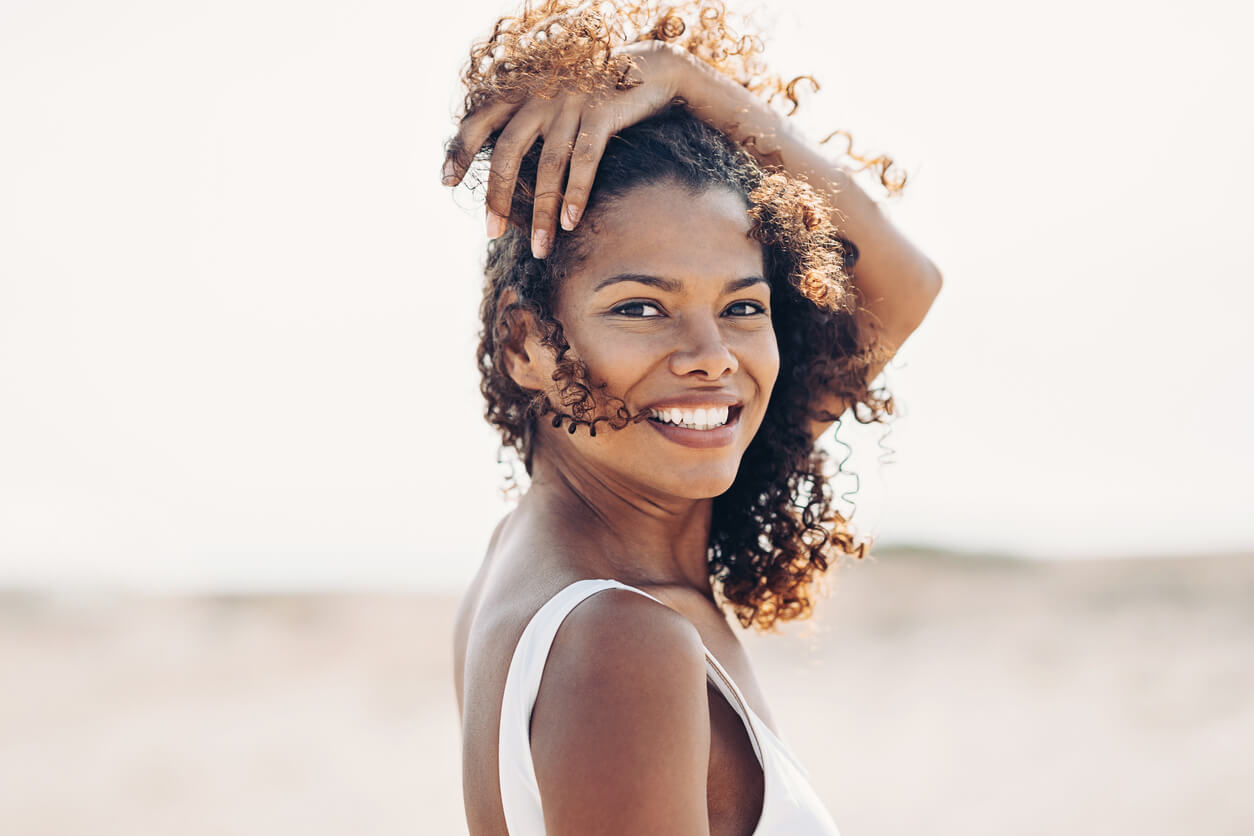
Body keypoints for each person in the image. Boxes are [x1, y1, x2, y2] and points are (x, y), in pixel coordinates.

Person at [443, 1, 942, 833]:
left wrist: (688, 83)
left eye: (744, 308)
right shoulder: (619, 640)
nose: (711, 356)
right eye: (642, 309)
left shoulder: (558, 550)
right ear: (525, 341)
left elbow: (902, 289)